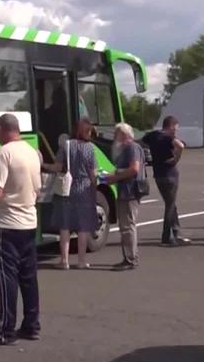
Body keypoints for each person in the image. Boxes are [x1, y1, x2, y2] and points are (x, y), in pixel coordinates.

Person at [0, 114, 42, 345]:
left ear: (1, 129)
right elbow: (38, 187)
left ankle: (7, 329)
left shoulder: (3, 153)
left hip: (5, 224)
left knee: (7, 279)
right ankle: (31, 325)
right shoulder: (32, 152)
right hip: (29, 222)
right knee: (28, 277)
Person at [47, 118, 98, 269]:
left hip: (67, 189)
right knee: (82, 227)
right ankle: (81, 261)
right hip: (84, 189)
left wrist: (43, 164)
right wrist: (94, 186)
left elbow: (57, 167)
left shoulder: (66, 145)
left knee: (65, 226)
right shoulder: (90, 148)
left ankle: (64, 261)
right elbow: (93, 174)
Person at [141, 116, 190, 247]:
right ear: (172, 126)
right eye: (176, 128)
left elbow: (142, 141)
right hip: (170, 173)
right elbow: (180, 145)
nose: (176, 131)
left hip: (158, 174)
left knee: (170, 203)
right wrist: (176, 157)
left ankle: (177, 232)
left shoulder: (152, 136)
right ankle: (166, 236)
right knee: (170, 205)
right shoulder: (168, 137)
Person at [105, 123, 145, 270]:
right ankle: (130, 257)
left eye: (117, 133)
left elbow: (134, 169)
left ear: (124, 134)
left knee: (127, 226)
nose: (114, 137)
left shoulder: (131, 148)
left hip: (129, 192)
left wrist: (115, 177)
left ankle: (130, 259)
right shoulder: (129, 148)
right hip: (126, 191)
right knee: (127, 226)